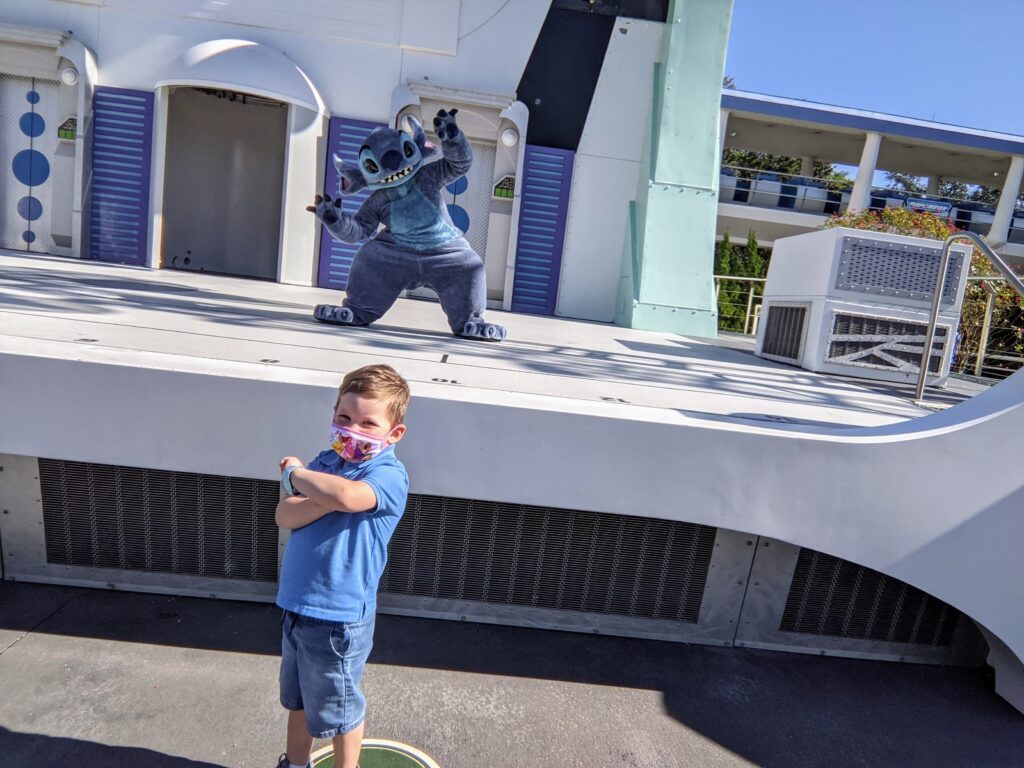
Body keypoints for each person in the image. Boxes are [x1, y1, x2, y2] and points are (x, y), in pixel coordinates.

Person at [273, 364, 411, 768]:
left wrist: (299, 477)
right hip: (297, 607)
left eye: (369, 423)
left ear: (394, 433)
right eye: (344, 417)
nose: (352, 429)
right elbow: (286, 515)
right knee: (298, 700)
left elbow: (350, 498)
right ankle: (295, 764)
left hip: (339, 619)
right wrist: (317, 490)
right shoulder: (327, 461)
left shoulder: (388, 473)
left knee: (340, 712)